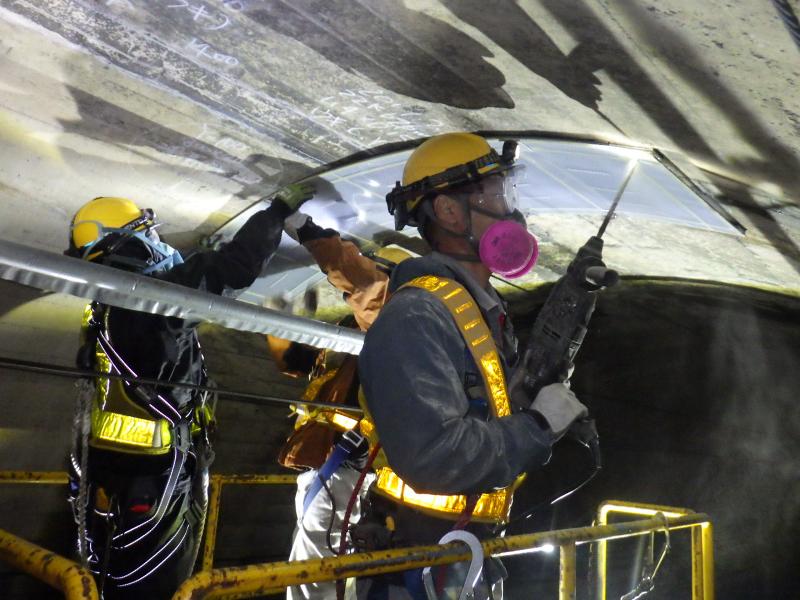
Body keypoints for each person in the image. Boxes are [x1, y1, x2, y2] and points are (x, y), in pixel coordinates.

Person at [357, 132, 590, 599]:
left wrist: (577, 299)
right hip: (417, 562)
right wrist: (538, 426)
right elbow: (434, 456)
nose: (513, 212)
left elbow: (497, 407)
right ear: (449, 211)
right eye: (497, 195)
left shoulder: (477, 309)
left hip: (463, 553)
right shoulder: (416, 316)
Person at [65, 185, 312, 599]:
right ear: (129, 242)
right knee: (159, 581)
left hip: (116, 475)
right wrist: (276, 213)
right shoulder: (145, 302)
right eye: (149, 234)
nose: (158, 241)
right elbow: (229, 270)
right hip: (156, 478)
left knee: (115, 575)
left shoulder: (104, 307)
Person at [271, 208, 410, 600]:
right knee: (315, 561)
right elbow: (324, 374)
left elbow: (365, 282)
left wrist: (309, 232)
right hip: (328, 460)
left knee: (317, 568)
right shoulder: (359, 330)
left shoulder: (394, 318)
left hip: (346, 464)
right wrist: (286, 337)